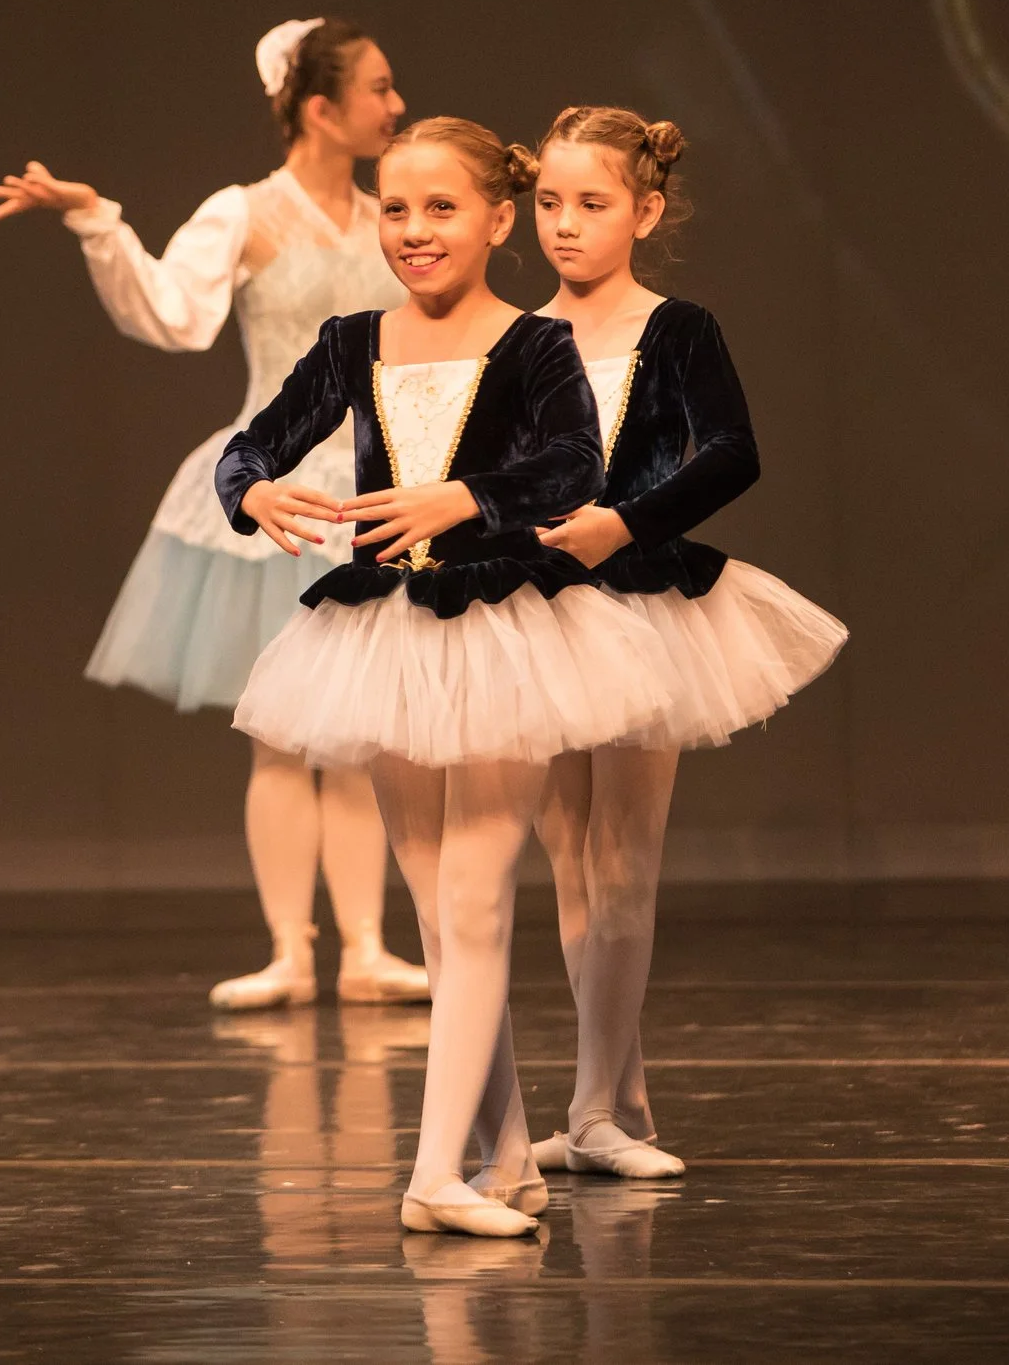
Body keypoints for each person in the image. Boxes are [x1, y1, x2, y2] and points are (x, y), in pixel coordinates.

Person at [222, 117, 672, 1237]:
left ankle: (432, 1177)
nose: (414, 231)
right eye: (394, 209)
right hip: (387, 637)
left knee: (473, 901)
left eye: (440, 208)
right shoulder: (351, 340)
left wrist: (465, 498)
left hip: (503, 632)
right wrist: (253, 489)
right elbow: (256, 441)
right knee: (438, 913)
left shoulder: (535, 345)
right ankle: (504, 1157)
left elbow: (574, 464)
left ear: (496, 220)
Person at [0, 19, 429, 1009]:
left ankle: (365, 945)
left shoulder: (388, 217)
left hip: (371, 493)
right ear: (321, 108)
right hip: (283, 495)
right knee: (282, 734)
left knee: (360, 736)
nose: (395, 106)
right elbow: (172, 312)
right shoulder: (246, 212)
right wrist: (96, 219)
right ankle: (290, 949)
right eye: (379, 88)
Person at [524, 107, 848, 1180]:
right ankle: (614, 1102)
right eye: (548, 203)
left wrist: (626, 521)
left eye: (591, 203)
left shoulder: (676, 329)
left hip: (642, 605)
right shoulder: (517, 337)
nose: (565, 224)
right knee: (568, 862)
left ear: (646, 210)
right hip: (541, 611)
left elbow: (732, 452)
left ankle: (594, 1111)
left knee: (622, 857)